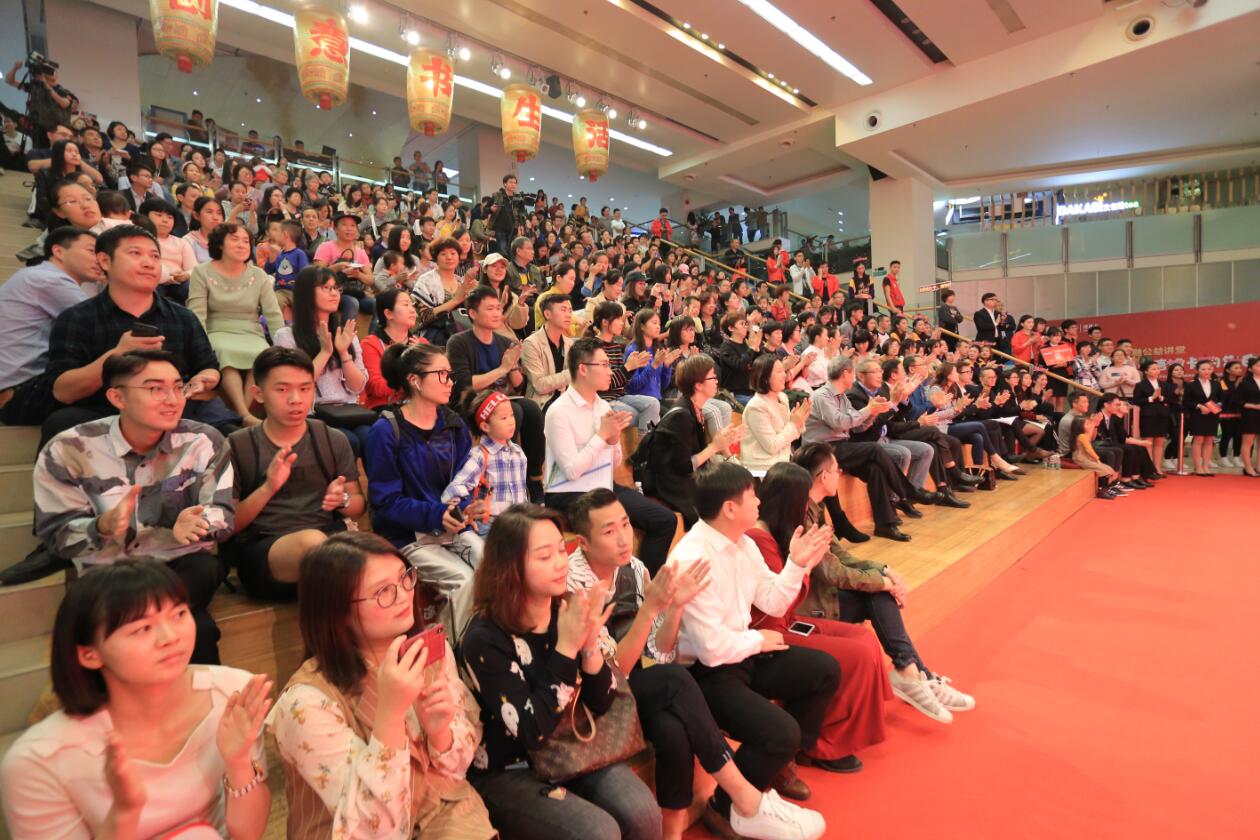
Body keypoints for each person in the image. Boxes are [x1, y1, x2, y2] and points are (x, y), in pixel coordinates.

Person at [565, 489, 826, 840]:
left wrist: (674, 609)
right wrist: (650, 611)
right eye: (609, 531)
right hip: (593, 698)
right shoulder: (572, 585)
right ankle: (744, 798)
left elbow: (659, 653)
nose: (624, 538)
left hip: (639, 685)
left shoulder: (635, 569)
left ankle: (674, 831)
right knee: (674, 681)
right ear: (583, 542)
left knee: (672, 727)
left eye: (626, 525)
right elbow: (611, 675)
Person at [0, 561, 272, 840]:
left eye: (179, 614)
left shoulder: (231, 692)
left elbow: (248, 834)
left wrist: (239, 762)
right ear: (90, 655)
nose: (170, 637)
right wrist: (125, 812)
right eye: (142, 628)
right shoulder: (38, 762)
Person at [268, 532, 494, 838]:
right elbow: (373, 829)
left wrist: (440, 734)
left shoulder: (428, 651)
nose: (403, 595)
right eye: (382, 591)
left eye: (405, 577)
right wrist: (391, 713)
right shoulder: (305, 703)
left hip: (440, 810)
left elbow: (455, 771)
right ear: (336, 611)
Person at [460, 505, 664, 840]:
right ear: (510, 566)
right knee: (598, 832)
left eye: (560, 550)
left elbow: (602, 703)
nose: (560, 563)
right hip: (511, 767)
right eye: (544, 556)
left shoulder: (566, 608)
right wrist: (567, 647)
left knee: (643, 813)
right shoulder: (485, 638)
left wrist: (589, 647)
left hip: (571, 748)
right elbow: (530, 731)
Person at [34, 350, 234, 662]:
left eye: (178, 387)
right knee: (199, 630)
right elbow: (57, 535)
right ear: (117, 397)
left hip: (180, 568)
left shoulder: (203, 439)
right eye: (155, 389)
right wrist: (101, 526)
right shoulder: (69, 448)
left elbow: (222, 513)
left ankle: (133, 622)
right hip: (111, 572)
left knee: (206, 567)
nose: (173, 399)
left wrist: (197, 523)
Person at [668, 462, 838, 813]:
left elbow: (772, 601)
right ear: (730, 508)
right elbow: (711, 650)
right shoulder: (692, 557)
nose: (759, 501)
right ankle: (723, 807)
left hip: (743, 650)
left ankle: (778, 764)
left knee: (824, 670)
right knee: (781, 732)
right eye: (751, 495)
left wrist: (796, 564)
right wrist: (758, 641)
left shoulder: (742, 543)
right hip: (705, 673)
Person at [789, 444, 975, 719]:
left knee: (880, 591)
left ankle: (914, 674)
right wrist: (883, 582)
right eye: (836, 469)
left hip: (823, 594)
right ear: (823, 477)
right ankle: (914, 675)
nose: (841, 472)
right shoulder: (801, 516)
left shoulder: (814, 508)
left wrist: (885, 571)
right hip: (810, 607)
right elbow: (834, 573)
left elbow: (841, 556)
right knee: (880, 592)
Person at [746, 462, 891, 767]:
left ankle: (845, 726)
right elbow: (777, 607)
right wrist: (806, 567)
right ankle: (824, 743)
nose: (807, 508)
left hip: (786, 621)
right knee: (856, 654)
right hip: (771, 630)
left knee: (864, 638)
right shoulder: (759, 538)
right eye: (803, 501)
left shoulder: (780, 530)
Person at [39, 224, 238, 446]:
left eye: (155, 256)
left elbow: (208, 367)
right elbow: (63, 391)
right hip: (107, 413)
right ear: (104, 260)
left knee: (230, 433)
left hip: (174, 408)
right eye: (135, 253)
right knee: (61, 423)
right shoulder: (77, 318)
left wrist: (204, 380)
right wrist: (117, 354)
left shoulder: (183, 317)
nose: (148, 263)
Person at [223, 347, 364, 601]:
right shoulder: (238, 445)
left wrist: (341, 500)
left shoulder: (332, 439)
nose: (296, 399)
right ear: (258, 393)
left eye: (305, 388)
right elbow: (228, 525)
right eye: (282, 390)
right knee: (315, 546)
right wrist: (268, 487)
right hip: (265, 550)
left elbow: (357, 505)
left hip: (328, 540)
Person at [542, 337, 678, 573]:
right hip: (569, 493)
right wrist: (602, 436)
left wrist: (613, 440)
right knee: (610, 528)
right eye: (604, 365)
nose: (610, 371)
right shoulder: (558, 411)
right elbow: (572, 471)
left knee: (665, 519)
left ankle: (643, 585)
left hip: (603, 485)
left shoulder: (603, 406)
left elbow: (613, 463)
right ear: (582, 369)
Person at [364, 343, 489, 598]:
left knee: (492, 566)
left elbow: (465, 482)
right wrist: (436, 513)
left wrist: (470, 505)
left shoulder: (454, 426)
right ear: (415, 380)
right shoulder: (385, 431)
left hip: (451, 528)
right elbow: (385, 502)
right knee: (463, 580)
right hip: (407, 535)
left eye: (450, 375)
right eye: (441, 374)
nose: (450, 382)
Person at [0, 226, 102, 424]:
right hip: (21, 392)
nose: (99, 259)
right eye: (92, 251)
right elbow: (101, 325)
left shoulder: (33, 275)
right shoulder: (49, 281)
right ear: (58, 251)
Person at [447, 285, 545, 488]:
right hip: (470, 402)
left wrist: (513, 366)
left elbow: (519, 386)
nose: (496, 313)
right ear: (473, 313)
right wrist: (503, 368)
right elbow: (465, 384)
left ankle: (534, 478)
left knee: (532, 409)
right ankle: (505, 474)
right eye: (490, 309)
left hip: (503, 399)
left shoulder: (504, 341)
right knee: (513, 410)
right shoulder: (458, 342)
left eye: (498, 308)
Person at [187, 222, 284, 426]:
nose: (241, 245)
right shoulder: (201, 272)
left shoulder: (259, 275)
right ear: (219, 244)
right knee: (225, 353)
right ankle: (244, 415)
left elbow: (273, 313)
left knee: (262, 355)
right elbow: (196, 314)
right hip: (217, 329)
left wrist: (282, 344)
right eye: (234, 239)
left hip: (251, 331)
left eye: (246, 241)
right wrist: (199, 346)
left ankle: (244, 414)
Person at [272, 266, 371, 454]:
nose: (334, 293)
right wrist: (325, 352)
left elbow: (358, 386)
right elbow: (297, 384)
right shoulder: (286, 336)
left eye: (336, 288)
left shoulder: (345, 334)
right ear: (307, 293)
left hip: (347, 411)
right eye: (326, 288)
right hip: (312, 413)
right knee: (347, 441)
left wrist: (344, 353)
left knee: (372, 437)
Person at [646, 355, 745, 526]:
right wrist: (715, 446)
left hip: (686, 477)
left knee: (737, 481)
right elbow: (684, 466)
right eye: (712, 377)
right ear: (699, 385)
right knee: (727, 495)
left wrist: (724, 442)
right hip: (672, 484)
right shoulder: (681, 416)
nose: (717, 381)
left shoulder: (695, 409)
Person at [442, 389, 529, 530]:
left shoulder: (518, 453)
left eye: (512, 415)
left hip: (519, 523)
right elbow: (456, 487)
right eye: (504, 418)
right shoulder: (480, 455)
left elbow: (522, 492)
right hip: (490, 525)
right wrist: (467, 506)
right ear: (485, 426)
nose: (511, 422)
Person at [739, 354, 812, 472]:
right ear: (765, 378)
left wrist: (799, 421)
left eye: (783, 370)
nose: (784, 375)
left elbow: (788, 435)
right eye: (779, 371)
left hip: (781, 460)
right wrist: (793, 424)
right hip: (762, 467)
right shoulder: (756, 406)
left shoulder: (782, 397)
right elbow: (772, 446)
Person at [360, 287, 420, 409]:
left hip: (418, 406)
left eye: (412, 305)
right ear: (388, 313)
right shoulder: (371, 344)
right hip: (385, 408)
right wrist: (414, 382)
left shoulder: (421, 343)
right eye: (406, 305)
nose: (412, 310)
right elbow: (377, 387)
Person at [312, 212, 374, 319]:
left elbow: (371, 280)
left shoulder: (360, 252)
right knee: (352, 303)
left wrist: (358, 275)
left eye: (352, 226)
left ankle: (376, 330)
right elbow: (317, 275)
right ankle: (345, 330)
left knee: (376, 304)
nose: (349, 229)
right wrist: (337, 267)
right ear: (335, 229)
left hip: (356, 292)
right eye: (344, 225)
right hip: (333, 292)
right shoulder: (325, 247)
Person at [521, 291, 573, 407]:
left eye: (570, 310)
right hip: (542, 404)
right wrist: (572, 373)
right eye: (563, 310)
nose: (568, 315)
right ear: (547, 314)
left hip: (565, 401)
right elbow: (540, 385)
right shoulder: (531, 343)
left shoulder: (569, 343)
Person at [1183, 359, 1225, 476]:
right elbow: (1186, 401)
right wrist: (1199, 406)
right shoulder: (1191, 385)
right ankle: (1198, 467)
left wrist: (1214, 407)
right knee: (1198, 440)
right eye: (1203, 369)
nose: (1207, 371)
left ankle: (1206, 466)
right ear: (1197, 370)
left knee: (1209, 440)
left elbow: (1222, 399)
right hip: (1198, 415)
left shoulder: (1216, 384)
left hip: (1212, 415)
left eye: (1209, 369)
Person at [1072, 414, 1123, 499]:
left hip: (1087, 457)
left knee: (1109, 469)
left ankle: (1105, 489)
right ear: (1079, 426)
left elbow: (1092, 438)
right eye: (1087, 424)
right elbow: (1089, 450)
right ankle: (1102, 491)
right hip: (1082, 459)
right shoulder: (1082, 437)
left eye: (1089, 423)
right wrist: (1097, 459)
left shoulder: (1085, 435)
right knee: (1105, 470)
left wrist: (1095, 423)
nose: (1090, 426)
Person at [1236, 356, 1260, 477]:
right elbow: (1238, 401)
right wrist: (1254, 406)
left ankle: (1259, 467)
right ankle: (1248, 467)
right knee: (1248, 442)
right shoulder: (1245, 383)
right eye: (1258, 366)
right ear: (1250, 369)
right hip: (1250, 415)